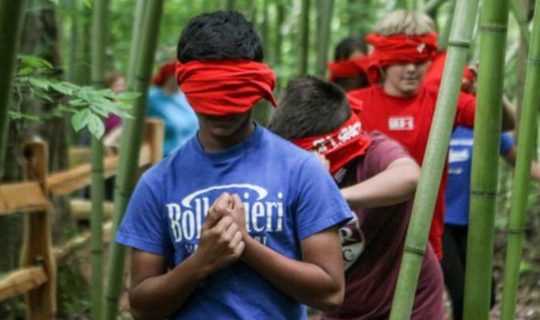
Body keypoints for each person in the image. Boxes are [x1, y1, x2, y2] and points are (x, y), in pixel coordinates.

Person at [115, 11, 352, 320]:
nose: (221, 111)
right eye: (210, 95)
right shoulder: (157, 182)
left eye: (233, 94)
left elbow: (331, 293)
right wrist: (202, 261)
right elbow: (142, 307)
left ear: (258, 86)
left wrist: (245, 246)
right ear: (185, 84)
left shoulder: (302, 171)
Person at [269, 75, 444, 320]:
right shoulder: (284, 173)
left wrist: (330, 197)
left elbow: (409, 177)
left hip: (411, 301)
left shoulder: (372, 151)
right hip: (342, 306)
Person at [347, 10, 515, 259]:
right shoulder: (353, 105)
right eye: (402, 60)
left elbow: (502, 124)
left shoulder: (443, 101)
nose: (412, 68)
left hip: (423, 240)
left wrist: (494, 90)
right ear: (383, 60)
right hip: (365, 242)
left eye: (420, 60)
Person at [442, 126, 540, 320]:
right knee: (461, 293)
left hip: (475, 222)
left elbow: (520, 161)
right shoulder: (434, 122)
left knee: (487, 297)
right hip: (438, 225)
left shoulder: (485, 123)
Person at [147, 61, 199, 156]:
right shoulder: (151, 98)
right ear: (168, 76)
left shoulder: (186, 96)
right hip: (167, 156)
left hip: (193, 154)